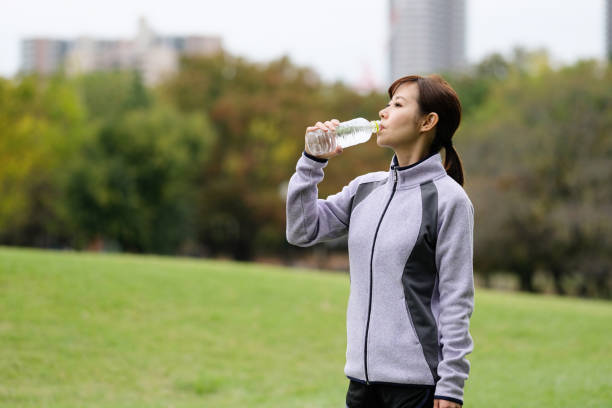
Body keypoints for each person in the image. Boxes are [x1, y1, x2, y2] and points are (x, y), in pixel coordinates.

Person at [285, 74, 475, 408]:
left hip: (417, 387)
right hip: (361, 380)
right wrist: (312, 162)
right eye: (387, 104)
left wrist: (451, 385)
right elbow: (302, 230)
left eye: (398, 105)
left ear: (428, 122)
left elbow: (457, 299)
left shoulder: (449, 200)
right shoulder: (364, 189)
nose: (383, 113)